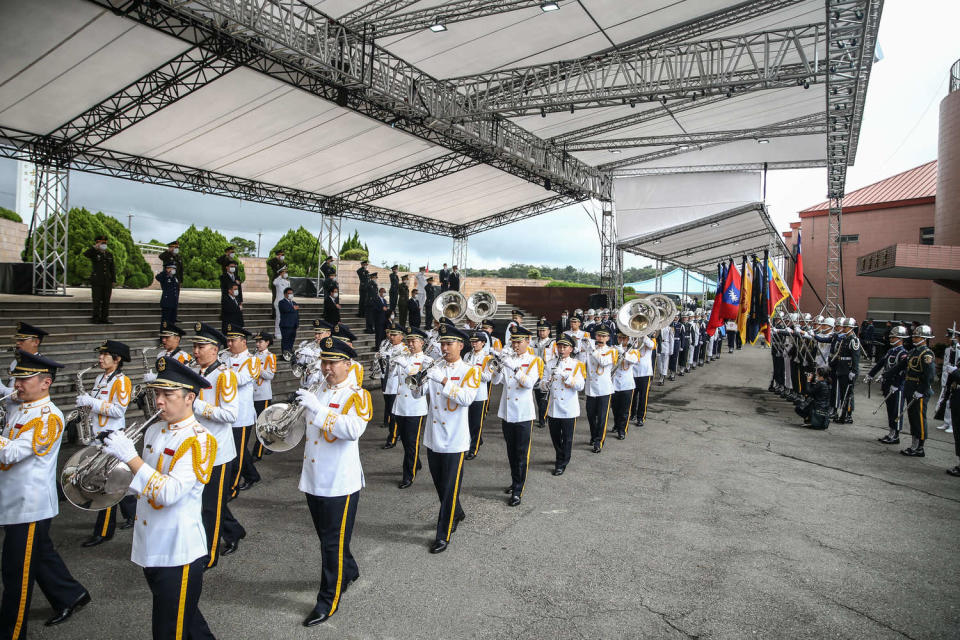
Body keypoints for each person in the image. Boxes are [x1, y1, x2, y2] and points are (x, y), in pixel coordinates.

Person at [99, 355, 217, 640]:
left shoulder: (200, 439)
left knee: (168, 631)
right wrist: (113, 475)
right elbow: (141, 483)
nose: (159, 401)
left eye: (168, 394)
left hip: (179, 551)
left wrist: (131, 458)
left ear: (189, 398)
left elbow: (168, 492)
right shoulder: (154, 429)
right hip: (151, 543)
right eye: (157, 393)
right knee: (186, 623)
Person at [0, 351, 91, 639]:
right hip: (14, 499)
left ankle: (12, 633)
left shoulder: (48, 417)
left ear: (45, 382)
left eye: (25, 379)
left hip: (30, 505)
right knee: (37, 557)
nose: (18, 384)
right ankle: (70, 595)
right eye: (18, 379)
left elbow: (13, 452)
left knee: (16, 574)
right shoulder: (22, 408)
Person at [293, 337, 369, 626]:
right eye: (324, 361)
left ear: (348, 365)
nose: (326, 368)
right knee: (328, 539)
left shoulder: (357, 394)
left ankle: (328, 599)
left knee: (330, 545)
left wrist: (318, 409)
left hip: (340, 481)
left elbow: (352, 429)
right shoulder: (319, 389)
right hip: (314, 477)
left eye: (333, 362)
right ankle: (348, 569)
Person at [417, 324, 479, 553]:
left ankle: (443, 534)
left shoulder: (469, 371)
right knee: (440, 484)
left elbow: (466, 398)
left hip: (454, 438)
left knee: (450, 488)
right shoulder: (435, 367)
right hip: (433, 437)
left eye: (448, 343)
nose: (443, 348)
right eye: (442, 343)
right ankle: (457, 511)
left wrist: (443, 381)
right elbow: (418, 395)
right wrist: (418, 379)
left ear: (460, 346)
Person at [190, 323, 243, 566]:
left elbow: (230, 414)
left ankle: (209, 557)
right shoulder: (194, 373)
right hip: (195, 447)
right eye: (194, 346)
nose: (196, 351)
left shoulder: (225, 375)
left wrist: (197, 406)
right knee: (207, 501)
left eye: (201, 346)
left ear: (215, 349)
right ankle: (233, 531)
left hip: (218, 452)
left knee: (210, 507)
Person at [75, 340, 134, 546]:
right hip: (98, 434)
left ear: (116, 359)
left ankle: (103, 532)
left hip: (111, 436)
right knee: (117, 481)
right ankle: (132, 514)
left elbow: (119, 410)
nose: (100, 358)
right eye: (100, 354)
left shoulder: (122, 381)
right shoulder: (101, 377)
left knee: (106, 485)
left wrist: (92, 402)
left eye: (104, 355)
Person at [492, 326, 542, 507]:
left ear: (528, 342)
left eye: (519, 341)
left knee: (521, 453)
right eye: (513, 341)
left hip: (523, 414)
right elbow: (497, 382)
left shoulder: (534, 361)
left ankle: (518, 490)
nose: (515, 345)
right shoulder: (509, 359)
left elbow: (529, 383)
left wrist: (515, 369)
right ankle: (514, 481)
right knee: (511, 452)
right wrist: (497, 367)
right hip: (507, 412)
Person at [222, 325, 261, 498]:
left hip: (241, 415)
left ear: (243, 342)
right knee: (237, 449)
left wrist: (221, 371)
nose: (229, 344)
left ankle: (233, 488)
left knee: (236, 453)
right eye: (228, 340)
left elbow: (241, 379)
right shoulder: (224, 357)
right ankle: (253, 475)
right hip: (225, 411)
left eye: (233, 340)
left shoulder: (252, 360)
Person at [392, 327, 432, 488]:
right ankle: (417, 462)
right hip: (400, 405)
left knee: (411, 442)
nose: (410, 344)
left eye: (414, 341)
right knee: (406, 442)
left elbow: (420, 382)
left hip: (415, 407)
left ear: (422, 343)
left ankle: (408, 475)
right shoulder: (404, 357)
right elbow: (394, 377)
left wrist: (406, 366)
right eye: (408, 341)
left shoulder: (427, 361)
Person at [541, 335, 585, 475]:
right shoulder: (549, 363)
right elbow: (541, 384)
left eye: (564, 347)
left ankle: (562, 462)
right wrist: (546, 384)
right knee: (554, 436)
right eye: (559, 346)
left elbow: (580, 385)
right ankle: (560, 455)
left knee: (566, 437)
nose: (561, 349)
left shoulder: (577, 364)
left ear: (571, 349)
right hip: (554, 406)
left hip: (568, 406)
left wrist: (565, 375)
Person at [895, 325, 936, 457]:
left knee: (919, 419)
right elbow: (901, 366)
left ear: (924, 338)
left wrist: (921, 390)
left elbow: (929, 376)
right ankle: (914, 444)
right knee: (913, 418)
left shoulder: (926, 354)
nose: (914, 338)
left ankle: (920, 447)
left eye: (917, 336)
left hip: (920, 390)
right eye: (914, 336)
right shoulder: (914, 351)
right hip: (910, 388)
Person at [867, 325, 909, 444]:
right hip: (888, 384)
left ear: (900, 338)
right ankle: (891, 432)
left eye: (893, 337)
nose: (890, 339)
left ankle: (895, 435)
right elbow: (881, 364)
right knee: (890, 410)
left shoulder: (903, 353)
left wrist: (897, 384)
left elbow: (903, 371)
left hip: (897, 386)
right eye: (891, 337)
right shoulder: (891, 351)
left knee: (896, 410)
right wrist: (871, 374)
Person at [584, 326, 615, 453]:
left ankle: (599, 441)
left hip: (604, 389)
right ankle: (593, 435)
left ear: (608, 338)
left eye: (603, 336)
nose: (600, 338)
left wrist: (591, 349)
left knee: (602, 417)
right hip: (591, 388)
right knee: (591, 415)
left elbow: (603, 361)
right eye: (598, 336)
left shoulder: (612, 351)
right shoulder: (589, 349)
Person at [464, 332, 493, 460]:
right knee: (467, 421)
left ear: (483, 343)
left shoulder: (488, 358)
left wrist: (474, 370)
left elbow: (488, 377)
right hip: (466, 392)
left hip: (479, 395)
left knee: (476, 423)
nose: (474, 344)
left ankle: (473, 449)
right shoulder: (466, 355)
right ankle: (477, 439)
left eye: (477, 341)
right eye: (472, 341)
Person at [378, 323, 409, 441]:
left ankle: (393, 436)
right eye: (391, 334)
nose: (391, 337)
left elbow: (396, 367)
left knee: (394, 412)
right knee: (390, 410)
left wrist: (387, 358)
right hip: (387, 383)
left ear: (401, 336)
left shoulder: (404, 349)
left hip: (396, 385)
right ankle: (396, 433)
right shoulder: (388, 347)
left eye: (395, 335)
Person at [610, 333, 640, 440]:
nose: (622, 340)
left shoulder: (633, 351)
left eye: (624, 338)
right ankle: (616, 424)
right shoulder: (613, 349)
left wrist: (623, 353)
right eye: (620, 337)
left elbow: (634, 360)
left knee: (625, 409)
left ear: (628, 339)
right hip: (614, 383)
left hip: (627, 385)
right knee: (615, 408)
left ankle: (622, 430)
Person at [251, 331, 276, 460]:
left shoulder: (270, 356)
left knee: (262, 424)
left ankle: (258, 453)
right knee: (259, 424)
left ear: (267, 343)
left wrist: (257, 368)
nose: (258, 344)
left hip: (263, 394)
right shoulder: (254, 355)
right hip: (252, 394)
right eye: (257, 341)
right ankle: (271, 443)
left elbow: (270, 375)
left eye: (260, 341)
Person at [84, 234, 115, 324]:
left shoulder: (109, 254)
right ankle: (96, 318)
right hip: (97, 280)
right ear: (97, 243)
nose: (103, 244)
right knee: (97, 300)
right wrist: (95, 247)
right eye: (101, 243)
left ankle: (104, 318)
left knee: (106, 300)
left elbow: (112, 268)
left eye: (105, 243)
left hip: (107, 281)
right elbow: (86, 254)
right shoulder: (94, 253)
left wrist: (113, 280)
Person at [630, 332, 656, 426]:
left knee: (643, 397)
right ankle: (632, 414)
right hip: (633, 372)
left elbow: (652, 346)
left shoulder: (648, 340)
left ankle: (640, 417)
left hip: (645, 372)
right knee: (633, 395)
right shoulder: (632, 339)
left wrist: (643, 335)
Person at [937, 327, 958, 434]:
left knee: (951, 402)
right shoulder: (948, 349)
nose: (947, 340)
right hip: (946, 378)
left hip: (955, 380)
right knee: (946, 401)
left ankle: (952, 425)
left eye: (949, 338)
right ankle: (946, 422)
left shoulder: (957, 350)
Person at [279, 287, 300, 360]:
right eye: (289, 293)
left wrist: (297, 324)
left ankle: (289, 354)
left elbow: (297, 315)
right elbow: (286, 309)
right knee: (285, 341)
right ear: (285, 294)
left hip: (293, 326)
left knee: (291, 340)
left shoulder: (294, 303)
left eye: (291, 293)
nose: (291, 295)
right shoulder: (282, 302)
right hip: (286, 325)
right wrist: (293, 308)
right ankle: (285, 355)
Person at [267, 249, 286, 319]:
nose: (283, 256)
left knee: (282, 297)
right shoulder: (274, 261)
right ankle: (274, 314)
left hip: (282, 282)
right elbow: (268, 262)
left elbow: (285, 272)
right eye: (281, 255)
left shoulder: (284, 263)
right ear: (278, 255)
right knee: (275, 297)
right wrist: (276, 258)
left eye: (283, 255)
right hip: (276, 281)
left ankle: (281, 312)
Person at [273, 267, 290, 339]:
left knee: (285, 318)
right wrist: (280, 275)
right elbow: (274, 283)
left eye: (286, 272)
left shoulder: (287, 282)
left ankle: (284, 332)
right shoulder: (277, 281)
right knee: (279, 318)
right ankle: (277, 333)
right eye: (284, 272)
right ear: (281, 273)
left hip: (286, 302)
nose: (286, 273)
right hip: (279, 302)